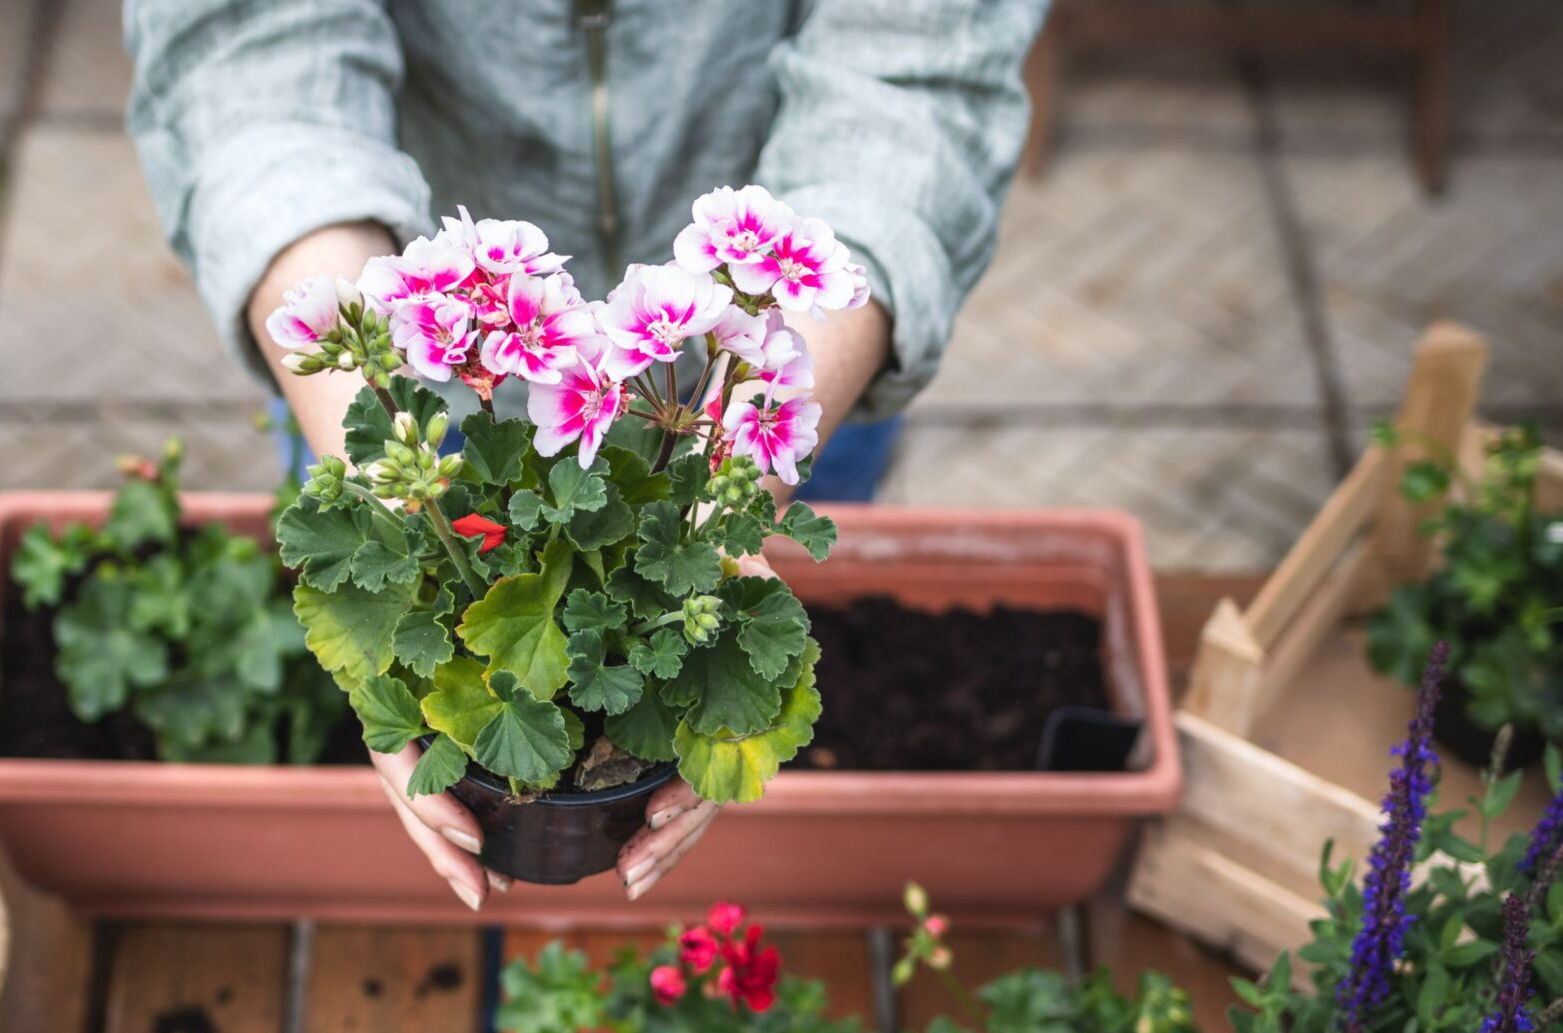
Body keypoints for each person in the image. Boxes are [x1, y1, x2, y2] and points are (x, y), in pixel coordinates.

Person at [126, 0, 1046, 912]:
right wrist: (373, 438)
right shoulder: (414, 376)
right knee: (393, 569)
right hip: (419, 379)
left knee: (753, 616)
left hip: (799, 368)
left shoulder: (756, 370)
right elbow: (242, 52)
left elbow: (919, 62)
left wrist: (731, 500)